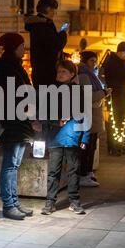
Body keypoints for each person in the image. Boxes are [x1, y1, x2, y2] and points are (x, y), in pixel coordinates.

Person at [0, 33, 42, 220]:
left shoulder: (14, 67)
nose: (24, 49)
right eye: (22, 46)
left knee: (14, 165)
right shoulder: (7, 68)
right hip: (14, 123)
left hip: (19, 122)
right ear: (14, 48)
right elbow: (18, 97)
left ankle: (14, 202)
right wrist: (31, 117)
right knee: (10, 165)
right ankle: (9, 204)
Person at [41, 60, 89, 215]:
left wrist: (85, 138)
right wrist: (55, 121)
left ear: (72, 74)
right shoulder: (51, 91)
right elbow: (44, 114)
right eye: (58, 72)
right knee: (53, 171)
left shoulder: (79, 92)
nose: (60, 74)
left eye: (64, 72)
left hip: (72, 137)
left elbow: (85, 116)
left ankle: (74, 201)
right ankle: (50, 202)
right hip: (55, 138)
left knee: (73, 170)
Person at [77, 51, 110, 187]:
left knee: (92, 146)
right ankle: (83, 174)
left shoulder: (92, 75)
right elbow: (88, 96)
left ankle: (88, 172)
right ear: (85, 61)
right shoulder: (84, 75)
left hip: (94, 114)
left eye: (95, 60)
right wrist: (103, 93)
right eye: (91, 60)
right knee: (86, 147)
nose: (94, 63)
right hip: (88, 115)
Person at [25, 0, 68, 87]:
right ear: (48, 9)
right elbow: (56, 44)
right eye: (54, 10)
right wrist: (63, 33)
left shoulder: (39, 24)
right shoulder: (42, 26)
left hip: (41, 73)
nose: (54, 14)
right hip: (46, 74)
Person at [101, 42, 125, 155]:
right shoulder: (111, 62)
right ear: (119, 51)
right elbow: (109, 79)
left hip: (124, 96)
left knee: (122, 122)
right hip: (114, 96)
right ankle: (112, 147)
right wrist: (123, 83)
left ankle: (120, 144)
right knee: (113, 122)